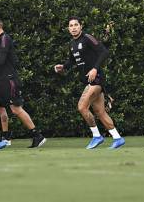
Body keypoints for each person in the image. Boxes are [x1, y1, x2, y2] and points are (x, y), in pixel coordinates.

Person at [54, 17, 125, 149]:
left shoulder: (87, 37)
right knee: (100, 111)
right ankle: (117, 138)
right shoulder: (72, 44)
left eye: (76, 25)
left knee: (82, 107)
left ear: (81, 26)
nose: (74, 27)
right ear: (68, 29)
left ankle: (97, 136)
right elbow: (72, 61)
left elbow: (104, 52)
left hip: (96, 78)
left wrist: (94, 69)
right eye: (71, 26)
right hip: (89, 80)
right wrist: (63, 66)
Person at [0, 18, 46, 150]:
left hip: (9, 80)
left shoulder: (5, 38)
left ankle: (37, 135)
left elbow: (1, 60)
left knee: (16, 109)